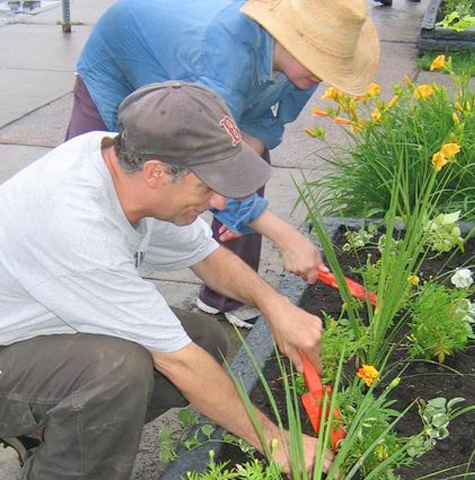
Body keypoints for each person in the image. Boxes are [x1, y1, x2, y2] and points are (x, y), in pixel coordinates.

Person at [0, 81, 332, 479]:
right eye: (207, 186)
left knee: (205, 339)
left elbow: (206, 256)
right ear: (157, 173)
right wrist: (276, 442)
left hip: (27, 331)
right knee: (118, 370)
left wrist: (275, 306)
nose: (221, 203)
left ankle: (51, 434)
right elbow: (178, 361)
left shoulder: (121, 164)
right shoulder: (75, 225)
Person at [66, 0, 380, 328]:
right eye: (318, 62)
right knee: (99, 185)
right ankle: (87, 302)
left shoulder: (306, 70)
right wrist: (286, 236)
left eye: (330, 65)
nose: (321, 75)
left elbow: (265, 126)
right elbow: (206, 149)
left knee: (244, 168)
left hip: (200, 75)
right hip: (123, 59)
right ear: (288, 38)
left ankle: (228, 295)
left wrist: (238, 198)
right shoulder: (226, 50)